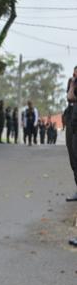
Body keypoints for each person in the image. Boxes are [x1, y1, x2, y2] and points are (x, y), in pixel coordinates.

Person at [66, 68, 77, 201]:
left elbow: (72, 97)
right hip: (72, 124)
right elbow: (69, 98)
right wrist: (72, 84)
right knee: (73, 159)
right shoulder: (72, 83)